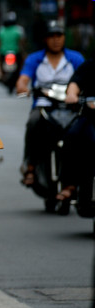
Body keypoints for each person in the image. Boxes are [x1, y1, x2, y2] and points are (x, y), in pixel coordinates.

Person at [17, 20, 84, 188]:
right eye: (51, 36)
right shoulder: (35, 59)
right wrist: (23, 88)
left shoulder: (75, 58)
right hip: (43, 106)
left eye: (59, 35)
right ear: (45, 39)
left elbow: (86, 79)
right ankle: (30, 167)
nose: (56, 40)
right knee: (33, 121)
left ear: (64, 38)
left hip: (70, 107)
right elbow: (23, 80)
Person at [59, 56, 95, 206]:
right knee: (72, 136)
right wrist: (72, 94)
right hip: (90, 117)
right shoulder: (91, 64)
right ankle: (70, 184)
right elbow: (75, 82)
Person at [0, 12, 26, 80]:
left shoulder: (1, 29)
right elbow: (22, 42)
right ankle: (22, 73)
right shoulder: (19, 29)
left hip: (3, 52)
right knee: (24, 59)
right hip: (16, 51)